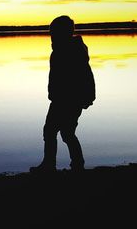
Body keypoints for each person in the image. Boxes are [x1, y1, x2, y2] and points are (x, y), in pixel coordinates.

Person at [30, 15, 96, 174]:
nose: (51, 36)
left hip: (67, 100)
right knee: (64, 132)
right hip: (62, 99)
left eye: (53, 32)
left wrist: (87, 97)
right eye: (50, 33)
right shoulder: (61, 50)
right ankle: (73, 164)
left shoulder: (70, 51)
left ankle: (52, 165)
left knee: (53, 131)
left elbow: (85, 76)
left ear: (63, 32)